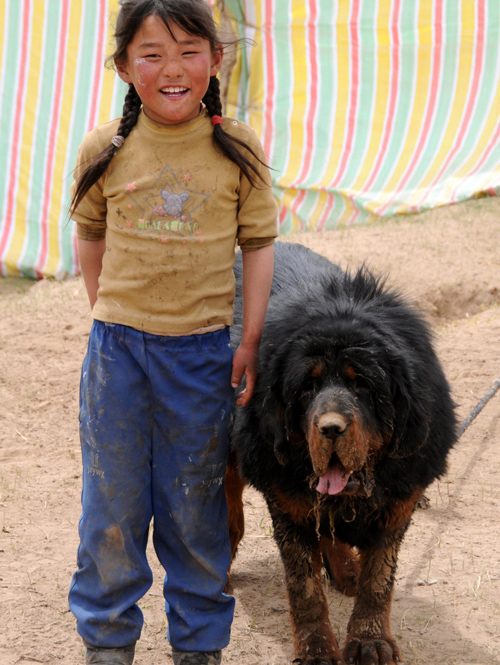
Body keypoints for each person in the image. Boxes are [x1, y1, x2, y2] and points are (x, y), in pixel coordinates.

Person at [67, 1, 277, 664]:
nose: (172, 68)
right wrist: (108, 313)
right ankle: (107, 640)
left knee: (195, 506)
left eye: (190, 50)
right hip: (119, 355)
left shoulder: (238, 149)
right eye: (151, 53)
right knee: (113, 501)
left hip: (202, 354)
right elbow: (90, 234)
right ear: (125, 66)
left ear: (217, 61)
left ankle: (198, 643)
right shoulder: (107, 147)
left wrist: (248, 340)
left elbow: (260, 245)